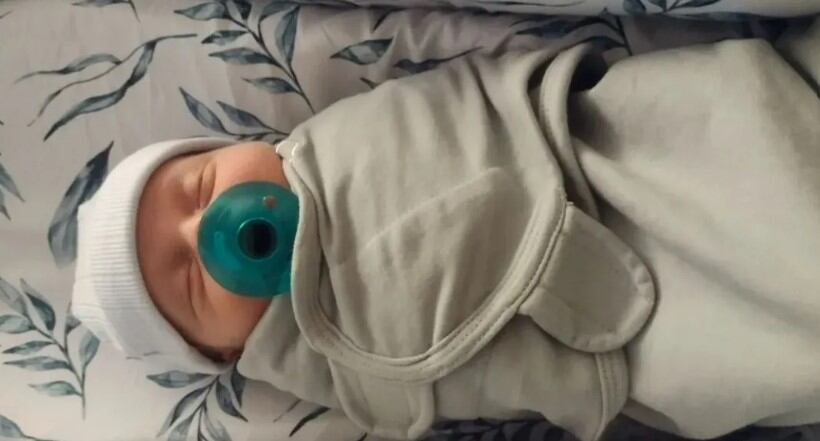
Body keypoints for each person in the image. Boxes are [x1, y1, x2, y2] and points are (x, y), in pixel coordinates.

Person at [71, 18, 820, 441]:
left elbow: (454, 106)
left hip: (602, 146)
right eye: (188, 282)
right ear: (224, 351)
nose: (205, 231)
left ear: (231, 147)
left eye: (199, 187)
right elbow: (473, 380)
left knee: (740, 118)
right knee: (743, 341)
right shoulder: (324, 360)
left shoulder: (325, 144)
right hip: (614, 321)